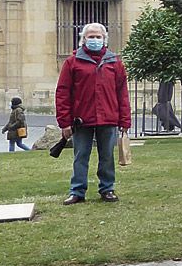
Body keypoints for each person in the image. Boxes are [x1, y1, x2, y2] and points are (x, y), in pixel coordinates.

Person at [55, 22, 130, 205]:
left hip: (108, 117)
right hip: (82, 119)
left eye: (98, 37)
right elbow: (63, 92)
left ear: (104, 39)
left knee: (107, 156)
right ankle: (77, 191)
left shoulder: (115, 63)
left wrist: (125, 120)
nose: (95, 39)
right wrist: (64, 121)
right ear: (83, 39)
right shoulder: (72, 62)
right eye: (91, 36)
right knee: (81, 156)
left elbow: (122, 93)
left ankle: (107, 188)